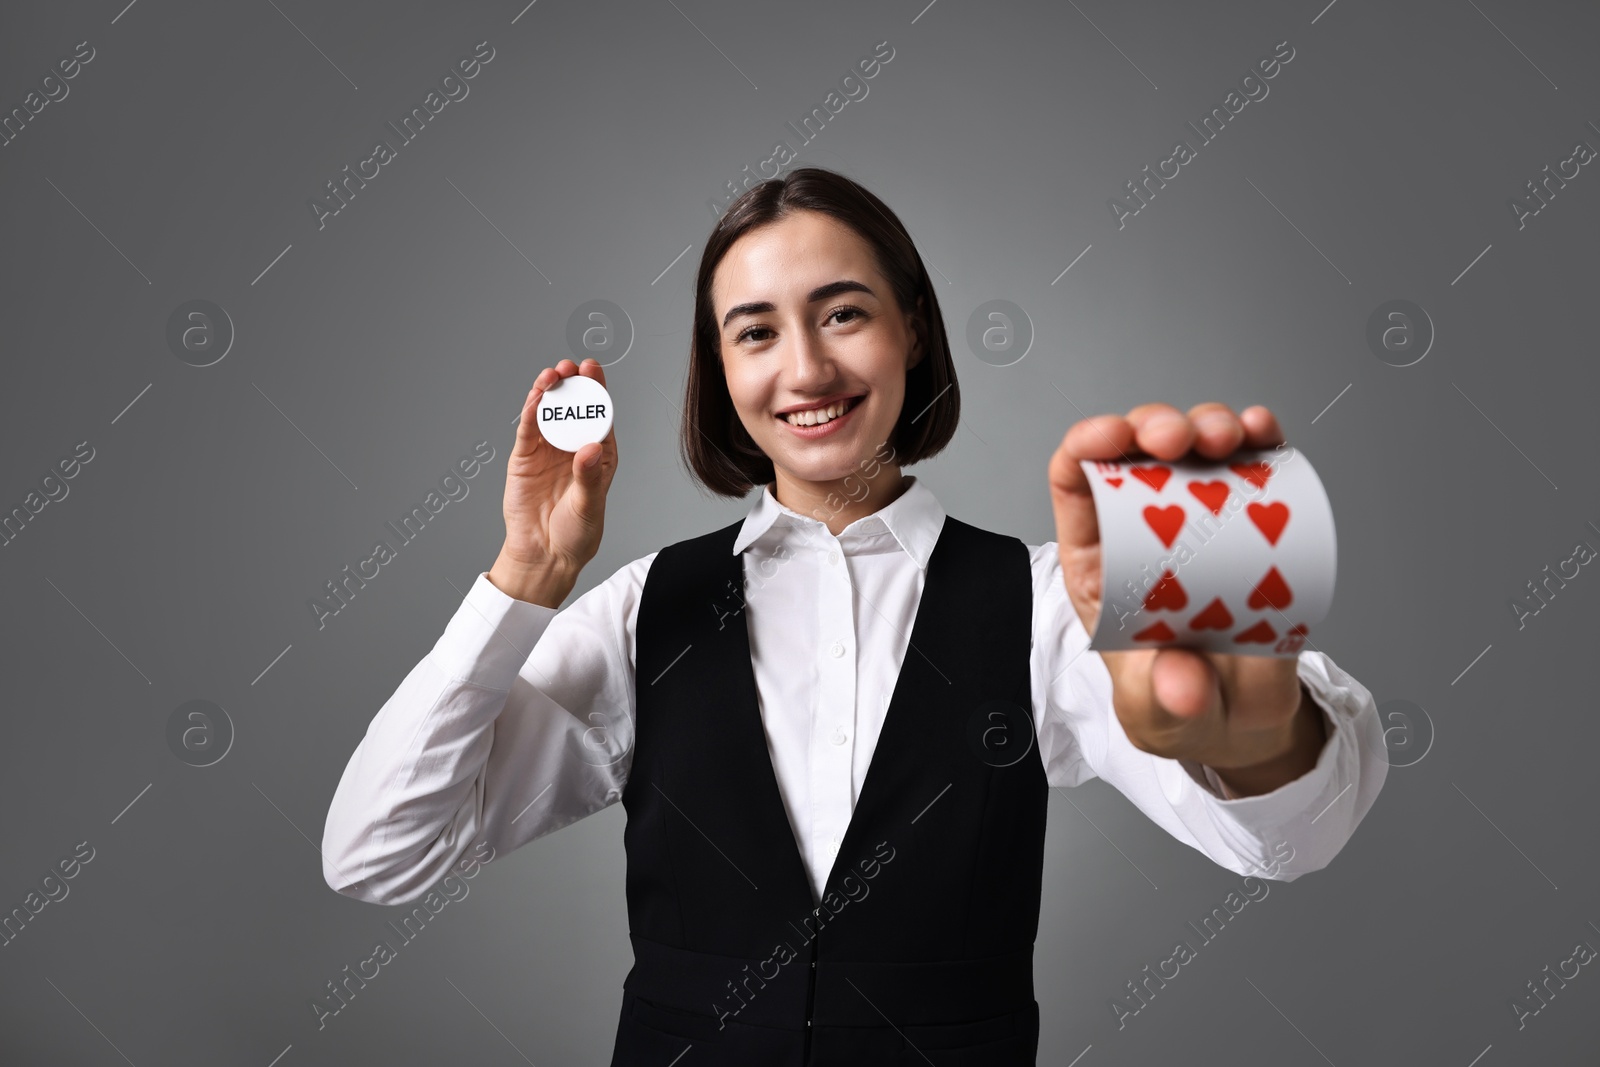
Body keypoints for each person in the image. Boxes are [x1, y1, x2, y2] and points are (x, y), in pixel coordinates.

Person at [321, 167, 1387, 1065]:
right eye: (754, 332)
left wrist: (1257, 742)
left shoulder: (1044, 602)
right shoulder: (647, 608)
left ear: (910, 329)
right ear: (721, 369)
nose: (806, 369)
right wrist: (524, 574)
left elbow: (1290, 843)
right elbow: (376, 853)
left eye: (842, 312)